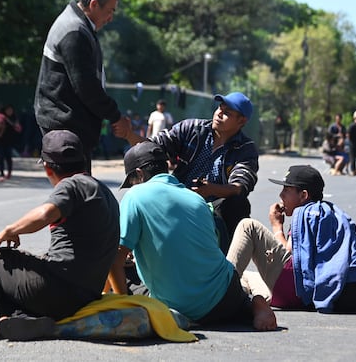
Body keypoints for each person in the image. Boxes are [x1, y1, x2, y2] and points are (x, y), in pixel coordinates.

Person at [0, 130, 120, 341]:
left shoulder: (72, 185)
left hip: (56, 289)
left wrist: (11, 229)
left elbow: (45, 213)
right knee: (15, 277)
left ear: (46, 166)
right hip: (84, 298)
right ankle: (24, 318)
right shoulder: (105, 192)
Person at [107, 142, 277, 331]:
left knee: (121, 271)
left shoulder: (135, 195)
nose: (132, 186)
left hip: (178, 307)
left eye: (131, 181)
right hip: (225, 297)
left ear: (139, 174)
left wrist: (122, 302)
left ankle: (130, 304)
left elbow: (115, 257)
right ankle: (252, 304)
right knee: (223, 289)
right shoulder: (195, 197)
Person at [227, 165, 356, 313]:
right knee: (246, 277)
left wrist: (277, 227)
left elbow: (292, 254)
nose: (281, 195)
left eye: (286, 190)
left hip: (299, 289)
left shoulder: (305, 213)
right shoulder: (332, 213)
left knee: (247, 226)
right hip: (317, 294)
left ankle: (222, 293)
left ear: (303, 195)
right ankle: (251, 300)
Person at [116, 92, 258, 246]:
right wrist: (129, 134)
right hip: (177, 197)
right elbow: (150, 149)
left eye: (227, 113)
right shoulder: (191, 128)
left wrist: (210, 190)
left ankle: (227, 263)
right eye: (220, 108)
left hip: (213, 207)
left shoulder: (245, 149)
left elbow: (239, 187)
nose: (219, 113)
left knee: (238, 204)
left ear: (242, 121)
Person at [34, 0, 128, 174]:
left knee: (78, 194)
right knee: (77, 193)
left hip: (69, 126)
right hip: (65, 127)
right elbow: (86, 87)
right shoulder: (74, 31)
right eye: (110, 10)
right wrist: (115, 116)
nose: (110, 17)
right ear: (94, 4)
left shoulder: (78, 26)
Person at [0, 104, 22, 181]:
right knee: (1, 157)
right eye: (8, 110)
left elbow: (18, 129)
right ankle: (1, 174)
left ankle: (9, 173)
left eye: (11, 110)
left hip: (9, 141)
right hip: (0, 141)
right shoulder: (0, 117)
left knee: (8, 158)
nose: (9, 111)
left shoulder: (14, 118)